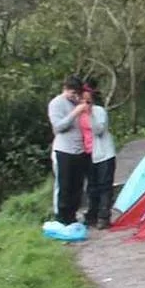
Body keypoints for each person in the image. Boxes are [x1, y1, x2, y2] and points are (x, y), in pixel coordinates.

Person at [47, 75, 91, 224]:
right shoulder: (56, 104)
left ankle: (72, 215)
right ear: (65, 89)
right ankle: (62, 217)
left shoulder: (78, 102)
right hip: (64, 150)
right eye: (72, 93)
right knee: (64, 186)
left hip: (79, 150)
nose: (75, 96)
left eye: (77, 93)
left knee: (77, 186)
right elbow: (58, 126)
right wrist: (75, 112)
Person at [82, 83, 117, 228]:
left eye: (87, 100)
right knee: (92, 187)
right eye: (82, 100)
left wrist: (90, 114)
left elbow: (99, 130)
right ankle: (92, 214)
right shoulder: (77, 114)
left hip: (104, 154)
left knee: (105, 185)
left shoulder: (99, 111)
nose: (84, 103)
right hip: (87, 154)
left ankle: (104, 216)